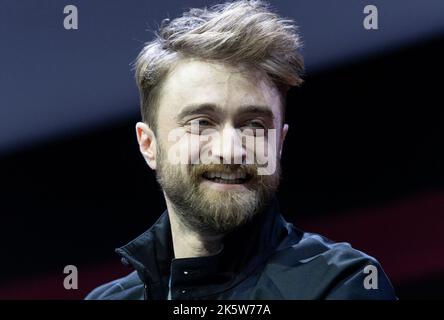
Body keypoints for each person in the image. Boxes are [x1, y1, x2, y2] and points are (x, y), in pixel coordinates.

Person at [86, 0, 396, 300]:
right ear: (149, 145)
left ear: (279, 144)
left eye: (254, 126)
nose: (230, 151)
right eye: (202, 123)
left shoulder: (340, 283)